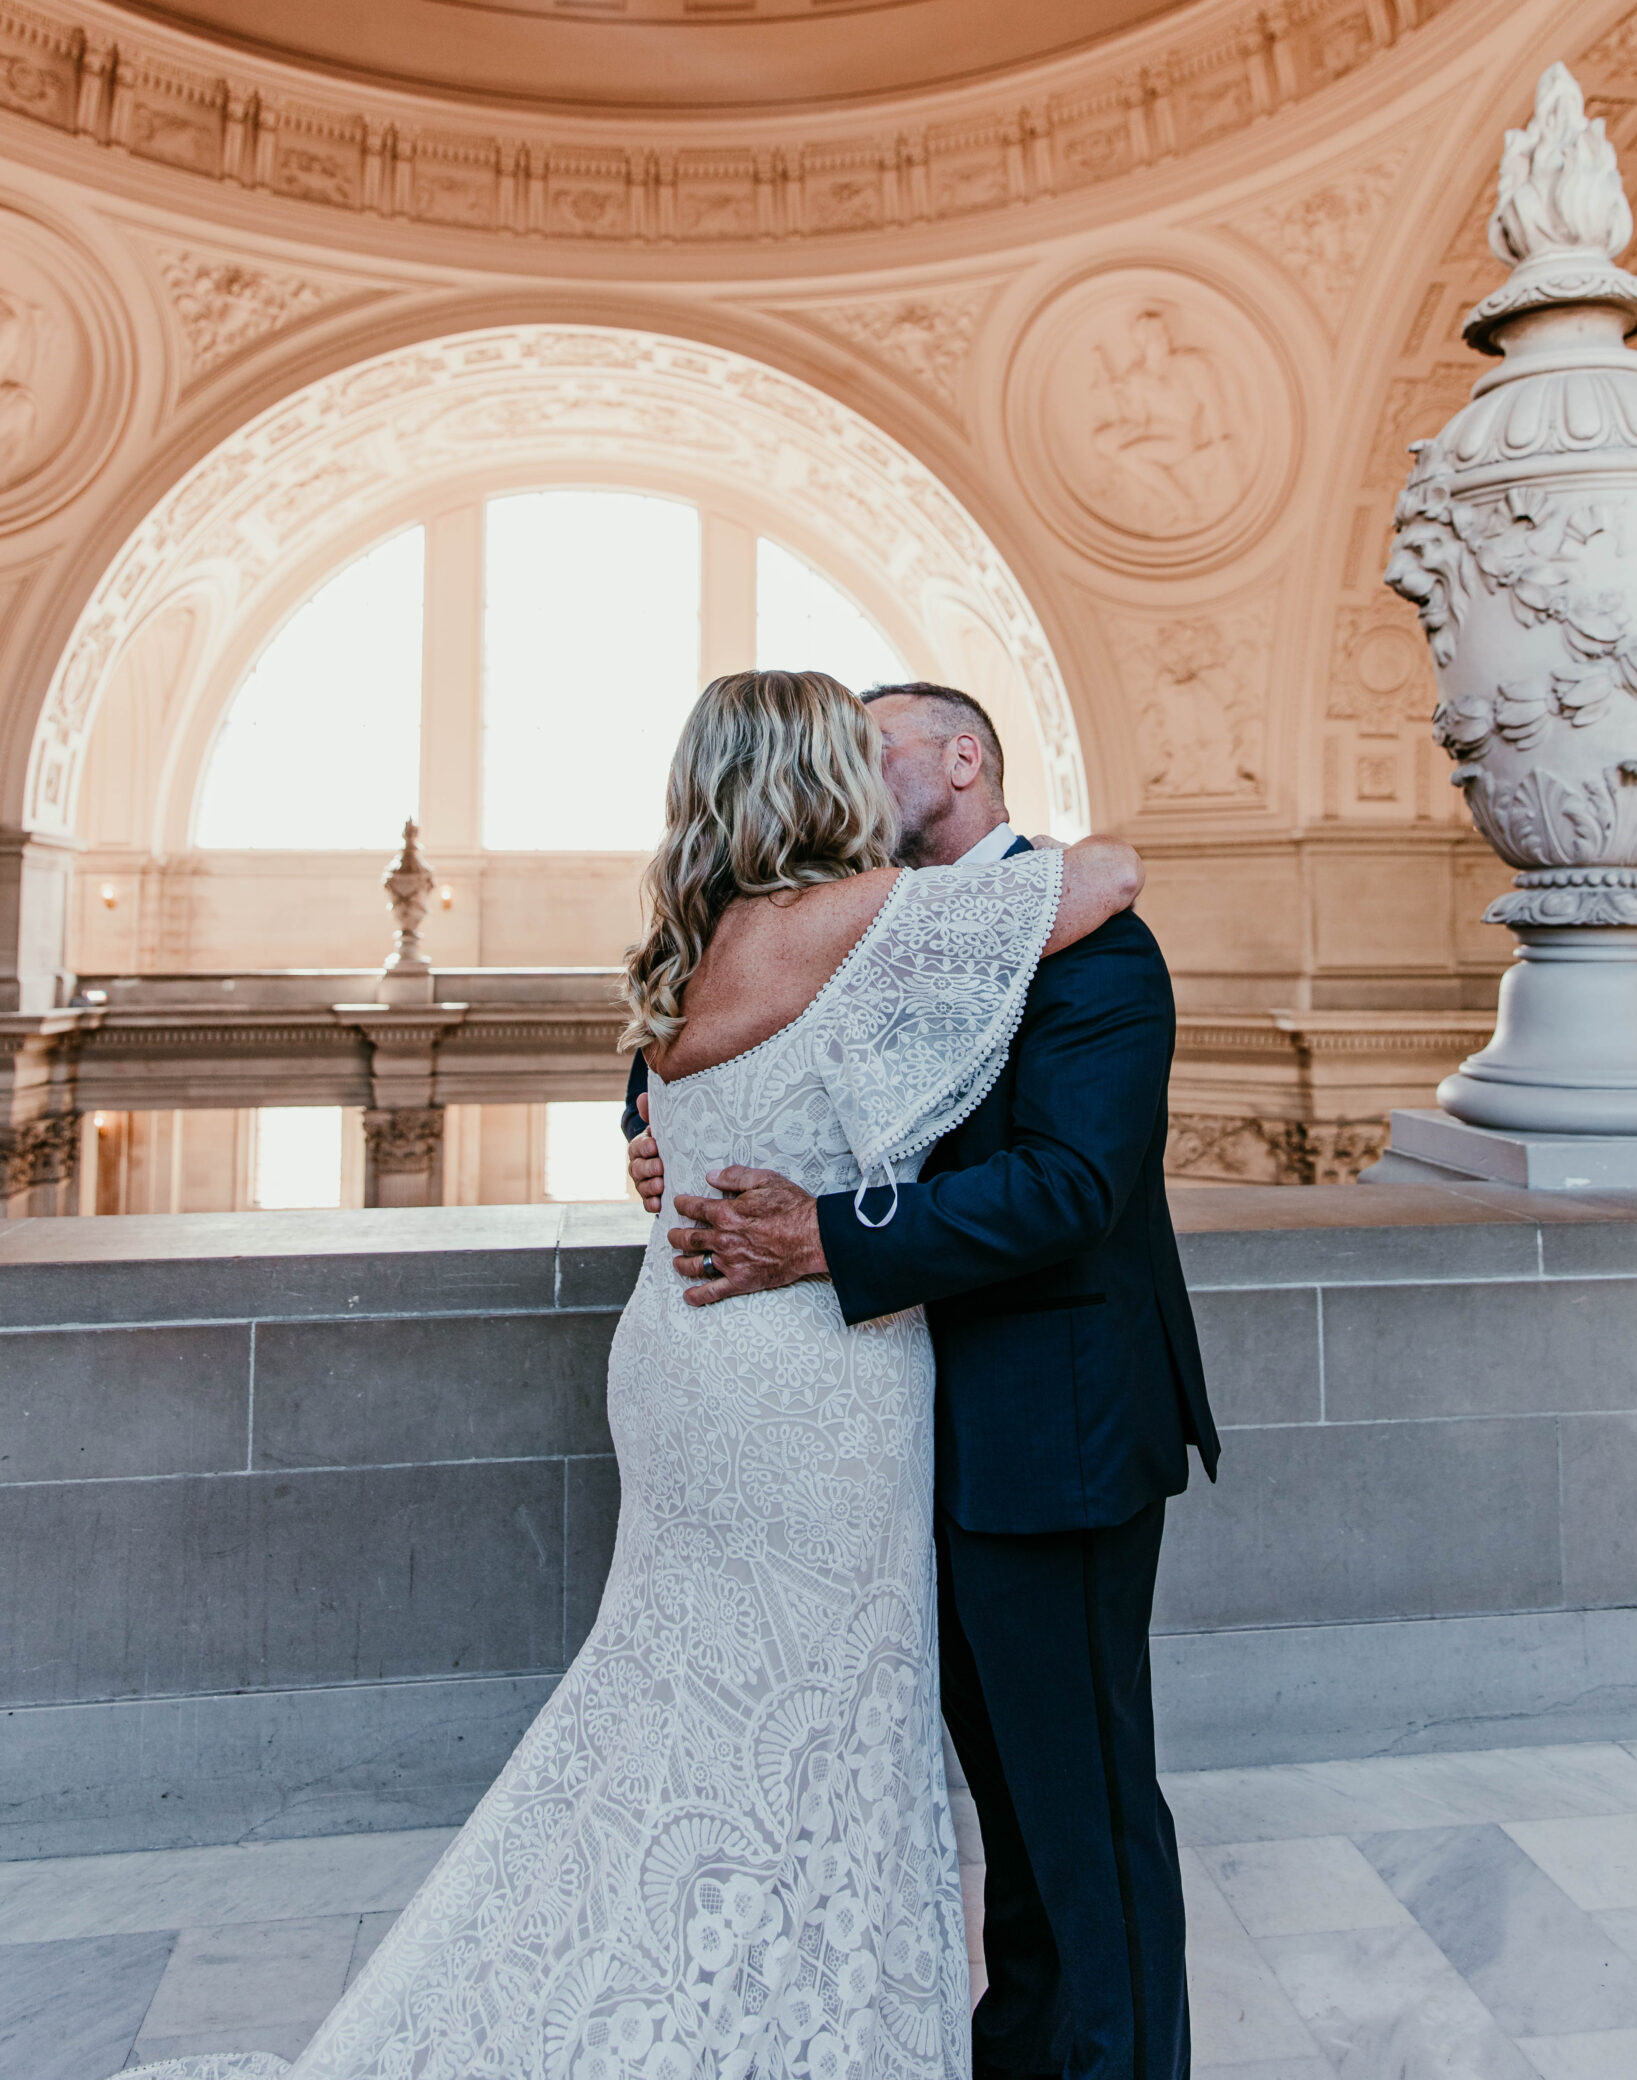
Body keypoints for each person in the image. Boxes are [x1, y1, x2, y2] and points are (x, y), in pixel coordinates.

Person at [119, 669, 1141, 2080]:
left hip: (686, 1355)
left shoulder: (694, 943)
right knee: (817, 1717)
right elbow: (1100, 876)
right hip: (801, 1375)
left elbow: (695, 1092)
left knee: (680, 1699)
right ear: (818, 782)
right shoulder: (847, 923)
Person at [627, 682, 1218, 2080]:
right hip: (883, 1438)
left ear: (964, 759)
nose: (848, 763)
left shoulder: (1095, 948)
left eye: (875, 739)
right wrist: (659, 1137)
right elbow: (706, 1047)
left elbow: (1072, 1185)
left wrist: (822, 1236)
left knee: (1081, 1813)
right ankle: (1021, 2056)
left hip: (1049, 1429)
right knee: (1002, 1814)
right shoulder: (853, 930)